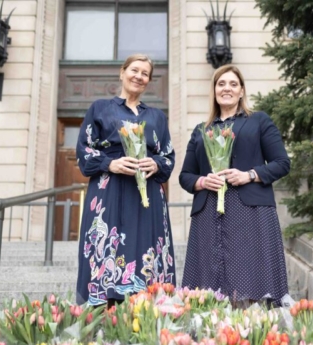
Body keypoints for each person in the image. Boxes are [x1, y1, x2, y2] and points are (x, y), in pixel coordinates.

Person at [179, 64, 290, 305]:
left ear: (241, 91)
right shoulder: (201, 131)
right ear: (214, 91)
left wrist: (249, 175)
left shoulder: (258, 121)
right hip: (209, 213)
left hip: (250, 213)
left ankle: (251, 331)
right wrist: (202, 181)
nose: (226, 88)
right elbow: (185, 176)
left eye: (233, 84)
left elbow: (282, 163)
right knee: (208, 290)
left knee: (251, 285)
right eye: (221, 84)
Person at [76, 54, 176, 306]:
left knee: (147, 250)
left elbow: (168, 156)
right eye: (134, 70)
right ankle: (102, 311)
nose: (139, 76)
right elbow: (83, 151)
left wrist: (156, 163)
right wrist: (110, 163)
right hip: (109, 193)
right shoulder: (99, 108)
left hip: (148, 197)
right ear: (122, 73)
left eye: (145, 73)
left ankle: (148, 309)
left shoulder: (157, 117)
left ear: (149, 81)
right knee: (107, 249)